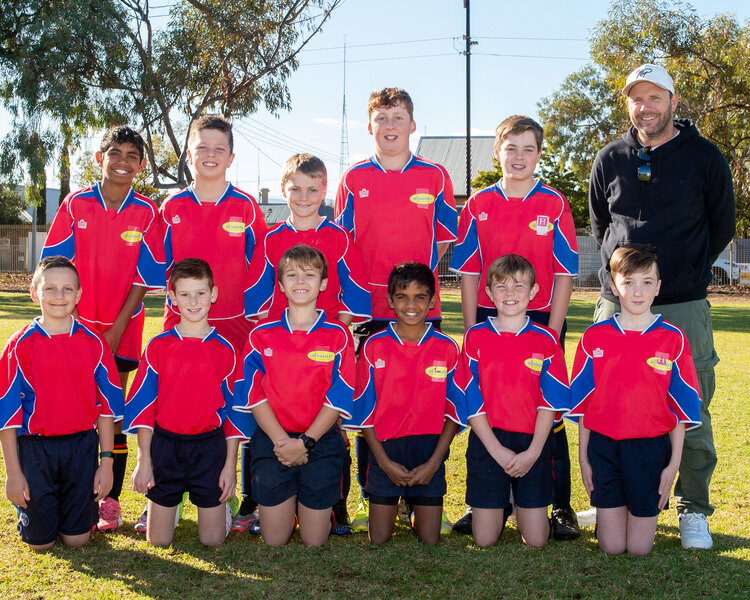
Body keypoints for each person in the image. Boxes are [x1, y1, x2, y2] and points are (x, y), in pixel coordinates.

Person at [589, 63, 736, 550]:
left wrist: (687, 270)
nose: (645, 107)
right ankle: (611, 496)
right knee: (603, 402)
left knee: (690, 407)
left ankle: (694, 508)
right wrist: (621, 279)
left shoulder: (705, 157)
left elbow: (721, 226)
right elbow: (600, 226)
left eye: (655, 97)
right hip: (615, 306)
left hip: (681, 305)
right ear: (627, 103)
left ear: (673, 101)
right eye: (636, 98)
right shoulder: (610, 157)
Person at [450, 115, 579, 540]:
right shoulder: (477, 205)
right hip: (489, 320)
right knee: (487, 406)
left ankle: (558, 505)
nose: (519, 157)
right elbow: (469, 272)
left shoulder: (555, 204)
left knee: (548, 414)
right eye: (511, 148)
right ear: (497, 152)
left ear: (539, 154)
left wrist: (553, 332)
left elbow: (563, 275)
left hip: (540, 321)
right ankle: (486, 502)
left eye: (528, 149)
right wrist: (472, 330)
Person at [335, 87, 458, 531]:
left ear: (412, 124)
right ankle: (378, 493)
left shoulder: (435, 176)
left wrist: (417, 288)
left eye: (398, 117)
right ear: (370, 126)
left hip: (421, 308)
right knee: (375, 403)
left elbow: (444, 237)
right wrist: (351, 306)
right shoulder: (353, 179)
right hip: (369, 310)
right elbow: (341, 244)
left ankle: (419, 494)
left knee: (425, 399)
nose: (390, 126)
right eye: (382, 118)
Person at [147, 115, 267, 533]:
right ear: (189, 154)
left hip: (235, 325)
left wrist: (255, 318)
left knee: (237, 405)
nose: (211, 155)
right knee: (173, 400)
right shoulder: (172, 207)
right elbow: (157, 266)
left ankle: (234, 492)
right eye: (203, 147)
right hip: (179, 323)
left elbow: (261, 269)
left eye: (219, 148)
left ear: (231, 156)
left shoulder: (247, 206)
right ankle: (164, 492)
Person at [42, 125, 165, 532]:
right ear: (99, 157)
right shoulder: (76, 204)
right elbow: (56, 266)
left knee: (111, 413)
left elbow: (144, 278)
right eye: (115, 153)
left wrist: (114, 329)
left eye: (132, 155)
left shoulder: (147, 212)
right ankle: (73, 491)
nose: (123, 162)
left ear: (141, 165)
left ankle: (108, 501)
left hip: (120, 331)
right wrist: (70, 322)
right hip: (73, 328)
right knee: (76, 408)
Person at [243, 153, 371, 535]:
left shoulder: (339, 237)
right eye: (295, 189)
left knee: (333, 426)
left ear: (324, 191)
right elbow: (255, 298)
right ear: (284, 191)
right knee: (265, 421)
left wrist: (332, 335)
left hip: (326, 352)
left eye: (313, 189)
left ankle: (337, 506)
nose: (303, 196)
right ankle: (255, 499)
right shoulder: (270, 239)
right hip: (281, 351)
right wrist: (279, 342)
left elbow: (359, 295)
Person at [569, 246, 702, 555]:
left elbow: (681, 411)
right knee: (612, 547)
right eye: (629, 282)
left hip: (650, 450)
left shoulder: (673, 339)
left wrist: (673, 465)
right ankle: (610, 512)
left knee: (639, 549)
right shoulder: (594, 337)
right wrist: (584, 459)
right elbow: (584, 407)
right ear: (614, 286)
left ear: (658, 286)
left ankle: (630, 507)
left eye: (647, 281)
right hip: (603, 447)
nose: (637, 290)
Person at [233, 245, 355, 547]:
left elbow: (338, 399)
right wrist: (282, 443)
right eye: (292, 275)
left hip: (320, 439)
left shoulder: (338, 335)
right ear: (281, 284)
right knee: (275, 540)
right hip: (274, 440)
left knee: (314, 540)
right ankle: (289, 502)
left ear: (323, 283)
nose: (301, 282)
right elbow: (253, 395)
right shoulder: (261, 335)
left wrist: (306, 443)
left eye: (310, 275)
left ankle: (315, 504)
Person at [0, 256, 123, 550]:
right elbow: (7, 417)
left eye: (68, 289)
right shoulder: (18, 346)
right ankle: (34, 509)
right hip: (35, 448)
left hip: (80, 446)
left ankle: (67, 510)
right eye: (50, 289)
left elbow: (106, 409)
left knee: (76, 540)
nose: (59, 296)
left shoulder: (94, 343)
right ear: (34, 293)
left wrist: (106, 462)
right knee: (40, 544)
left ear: (78, 295)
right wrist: (13, 475)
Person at [124, 258, 244, 547]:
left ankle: (224, 509)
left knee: (212, 541)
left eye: (201, 293)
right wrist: (144, 460)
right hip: (166, 447)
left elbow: (234, 416)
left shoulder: (225, 350)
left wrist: (230, 467)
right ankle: (172, 504)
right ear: (173, 297)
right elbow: (143, 408)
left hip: (209, 447)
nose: (194, 301)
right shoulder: (159, 347)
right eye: (185, 294)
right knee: (158, 542)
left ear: (213, 294)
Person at [344, 262, 465, 545]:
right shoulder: (374, 346)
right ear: (390, 300)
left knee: (429, 539)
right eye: (402, 297)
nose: (411, 305)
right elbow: (364, 413)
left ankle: (417, 508)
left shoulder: (446, 348)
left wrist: (433, 463)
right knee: (379, 539)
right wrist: (384, 463)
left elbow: (455, 412)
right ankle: (392, 502)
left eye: (420, 297)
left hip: (429, 451)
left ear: (432, 301)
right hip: (386, 449)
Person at [461, 254, 570, 547]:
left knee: (536, 540)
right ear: (488, 292)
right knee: (484, 540)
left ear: (534, 292)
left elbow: (549, 403)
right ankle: (503, 501)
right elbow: (471, 400)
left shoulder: (546, 340)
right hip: (488, 442)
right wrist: (496, 450)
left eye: (519, 286)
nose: (510, 293)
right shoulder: (475, 337)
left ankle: (521, 501)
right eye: (501, 286)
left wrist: (534, 452)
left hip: (531, 442)